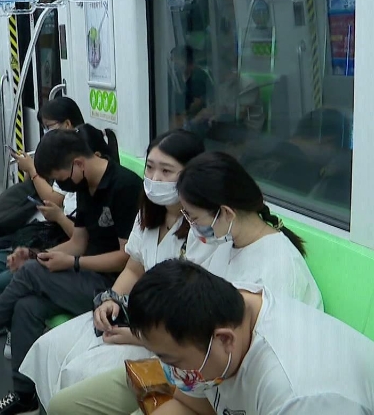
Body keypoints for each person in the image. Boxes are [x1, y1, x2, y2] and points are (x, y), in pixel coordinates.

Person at [47, 151, 323, 415]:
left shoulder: (276, 270)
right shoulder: (223, 243)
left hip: (220, 387)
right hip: (188, 368)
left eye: (193, 217)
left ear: (226, 213)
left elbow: (247, 369)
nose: (189, 224)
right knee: (64, 406)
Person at [0, 125, 142, 415]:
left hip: (113, 288)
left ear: (78, 164)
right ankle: (24, 396)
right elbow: (79, 242)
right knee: (27, 306)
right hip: (86, 275)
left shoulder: (125, 187)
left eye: (61, 178)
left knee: (32, 273)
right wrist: (37, 254)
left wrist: (71, 263)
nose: (63, 185)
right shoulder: (85, 184)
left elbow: (126, 258)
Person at [20, 130, 206, 411]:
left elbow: (194, 314)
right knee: (50, 348)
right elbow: (134, 267)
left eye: (167, 171)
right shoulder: (148, 215)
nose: (155, 179)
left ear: (192, 174)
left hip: (167, 337)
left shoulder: (202, 231)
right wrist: (112, 298)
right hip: (133, 314)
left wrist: (140, 335)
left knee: (79, 372)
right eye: (150, 168)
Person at [127, 260, 374, 414]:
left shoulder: (300, 396)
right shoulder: (221, 310)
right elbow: (190, 402)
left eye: (174, 362)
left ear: (225, 340)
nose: (171, 373)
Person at [0, 98, 92, 325]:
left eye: (49, 126)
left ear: (67, 124)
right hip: (29, 218)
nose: (45, 132)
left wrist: (34, 171)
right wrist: (31, 169)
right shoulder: (55, 151)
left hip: (45, 228)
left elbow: (55, 200)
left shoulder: (75, 162)